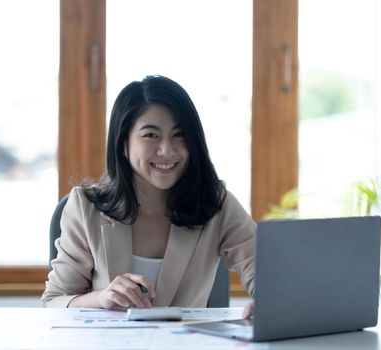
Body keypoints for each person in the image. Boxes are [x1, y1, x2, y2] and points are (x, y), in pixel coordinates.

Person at [42, 75, 255, 317]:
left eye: (179, 135)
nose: (167, 150)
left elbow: (264, 272)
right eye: (151, 135)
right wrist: (102, 298)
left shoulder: (216, 203)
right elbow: (54, 302)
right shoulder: (85, 208)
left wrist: (268, 304)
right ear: (123, 143)